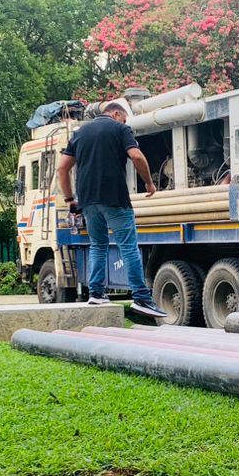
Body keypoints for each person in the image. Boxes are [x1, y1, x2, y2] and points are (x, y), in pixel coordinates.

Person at [56, 100, 167, 319]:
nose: (126, 123)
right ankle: (142, 298)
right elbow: (136, 156)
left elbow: (62, 168)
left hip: (87, 200)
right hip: (114, 197)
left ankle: (96, 292)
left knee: (98, 244)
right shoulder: (120, 129)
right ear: (116, 114)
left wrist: (70, 198)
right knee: (128, 246)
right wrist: (149, 183)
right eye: (125, 119)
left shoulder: (80, 133)